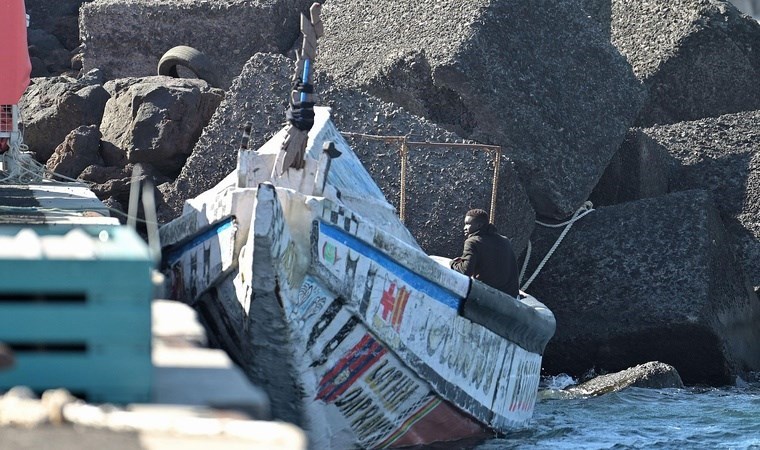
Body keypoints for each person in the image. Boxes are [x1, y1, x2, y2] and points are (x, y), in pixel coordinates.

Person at [450, 208, 520, 297]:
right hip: (511, 298)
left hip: (489, 297)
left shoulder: (472, 242)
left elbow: (465, 271)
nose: (464, 228)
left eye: (468, 224)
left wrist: (453, 264)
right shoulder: (505, 241)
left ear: (479, 225)